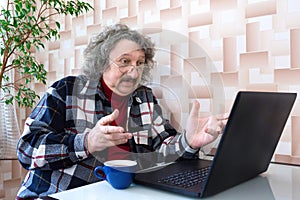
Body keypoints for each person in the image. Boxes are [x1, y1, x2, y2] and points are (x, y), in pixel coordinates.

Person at [16, 23, 227, 199]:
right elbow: (26, 149)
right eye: (124, 61)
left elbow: (164, 147)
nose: (133, 70)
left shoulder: (144, 97)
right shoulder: (66, 90)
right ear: (101, 62)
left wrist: (189, 141)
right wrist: (86, 142)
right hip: (55, 194)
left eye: (139, 63)